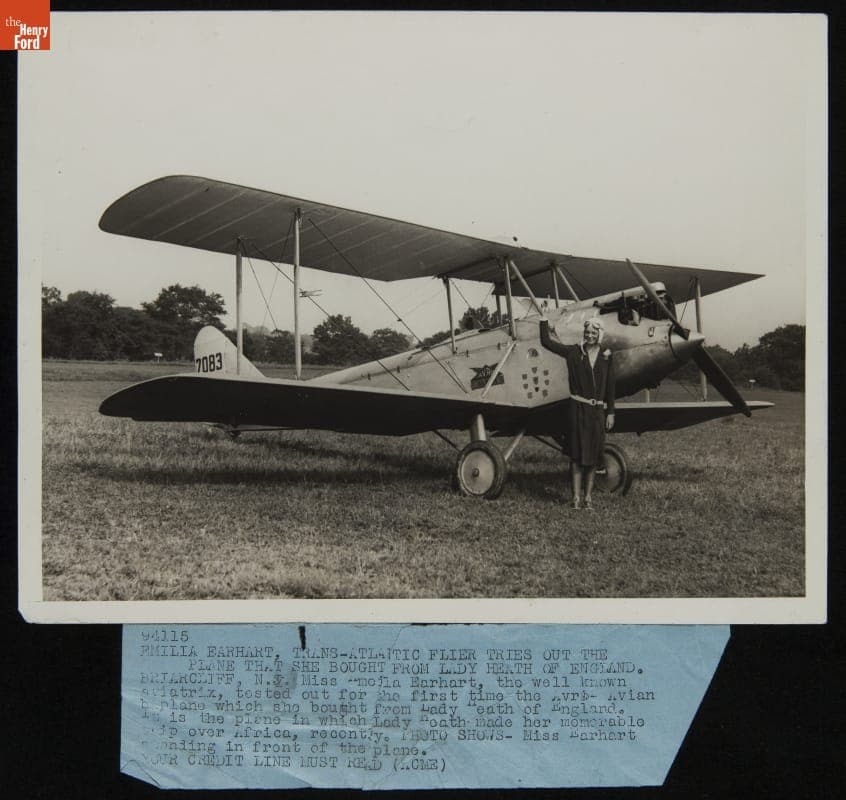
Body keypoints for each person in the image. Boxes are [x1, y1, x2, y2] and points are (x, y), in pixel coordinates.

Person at [539, 316, 616, 509]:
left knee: (592, 458)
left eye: (594, 333)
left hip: (597, 411)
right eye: (587, 332)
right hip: (577, 410)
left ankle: (588, 498)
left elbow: (610, 388)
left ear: (599, 334)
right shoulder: (573, 352)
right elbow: (546, 342)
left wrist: (611, 412)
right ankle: (575, 498)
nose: (590, 335)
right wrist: (544, 319)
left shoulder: (607, 356)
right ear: (584, 333)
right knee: (576, 457)